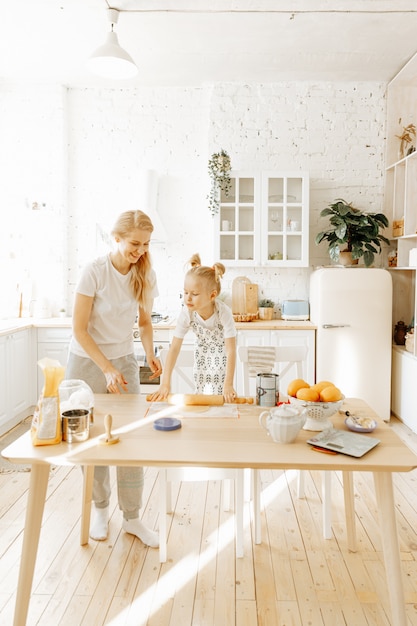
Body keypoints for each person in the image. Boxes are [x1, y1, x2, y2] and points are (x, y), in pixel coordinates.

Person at [65, 210, 162, 547]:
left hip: (123, 360)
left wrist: (148, 352)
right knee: (91, 438)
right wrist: (106, 367)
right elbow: (79, 329)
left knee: (129, 437)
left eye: (146, 244)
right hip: (86, 362)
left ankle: (132, 517)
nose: (141, 250)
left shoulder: (144, 274)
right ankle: (100, 509)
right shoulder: (94, 272)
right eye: (135, 243)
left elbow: (145, 323)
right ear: (116, 238)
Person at [149, 253, 237, 403]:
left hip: (223, 355)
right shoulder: (187, 313)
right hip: (202, 353)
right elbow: (174, 348)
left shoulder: (223, 312)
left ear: (212, 295)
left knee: (221, 397)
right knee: (201, 395)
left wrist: (228, 384)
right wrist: (165, 383)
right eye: (185, 292)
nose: (188, 298)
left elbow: (231, 349)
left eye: (194, 294)